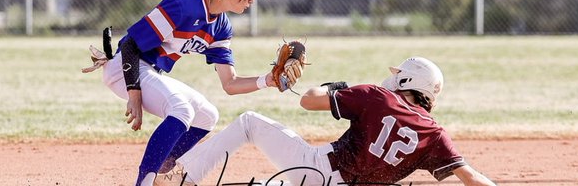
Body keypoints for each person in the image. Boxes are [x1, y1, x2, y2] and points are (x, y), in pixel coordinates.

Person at [175, 57, 497, 186]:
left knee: (248, 122)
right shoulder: (435, 134)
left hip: (317, 169)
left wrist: (338, 86)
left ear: (408, 80)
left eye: (398, 75)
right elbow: (469, 177)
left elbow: (308, 99)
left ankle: (183, 178)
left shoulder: (377, 97)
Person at [93, 0, 281, 185]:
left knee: (207, 115)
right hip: (125, 68)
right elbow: (131, 45)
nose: (251, 0)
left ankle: (162, 173)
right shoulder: (183, 5)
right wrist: (134, 94)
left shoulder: (221, 26)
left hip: (151, 70)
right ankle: (143, 183)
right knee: (182, 109)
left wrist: (267, 80)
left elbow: (230, 83)